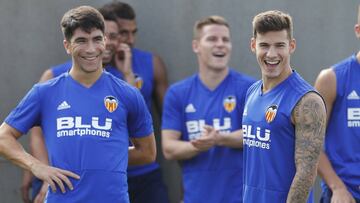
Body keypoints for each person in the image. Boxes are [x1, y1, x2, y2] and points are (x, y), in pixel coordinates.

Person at [0, 5, 156, 203]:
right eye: (81, 41)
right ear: (67, 45)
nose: (91, 49)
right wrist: (37, 166)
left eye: (97, 39)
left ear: (105, 40)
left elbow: (148, 153)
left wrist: (102, 156)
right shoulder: (45, 92)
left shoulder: (128, 95)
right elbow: (3, 138)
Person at [161, 15, 255, 203]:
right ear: (196, 46)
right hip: (195, 197)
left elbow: (257, 136)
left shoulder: (250, 89)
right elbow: (169, 148)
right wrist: (198, 145)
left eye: (225, 40)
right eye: (212, 39)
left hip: (240, 198)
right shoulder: (178, 93)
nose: (220, 44)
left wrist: (220, 138)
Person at [241, 10, 326, 203]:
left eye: (280, 45)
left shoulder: (307, 101)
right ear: (253, 45)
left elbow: (306, 174)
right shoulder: (252, 92)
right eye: (264, 45)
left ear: (291, 46)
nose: (271, 54)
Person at [102, 2, 170, 203]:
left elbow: (170, 120)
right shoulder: (89, 71)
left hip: (144, 171)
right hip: (106, 174)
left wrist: (128, 73)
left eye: (134, 32)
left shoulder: (151, 63)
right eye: (123, 33)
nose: (130, 40)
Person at [314, 5, 360, 203]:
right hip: (346, 195)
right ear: (358, 31)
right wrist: (337, 187)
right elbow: (308, 143)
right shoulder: (332, 78)